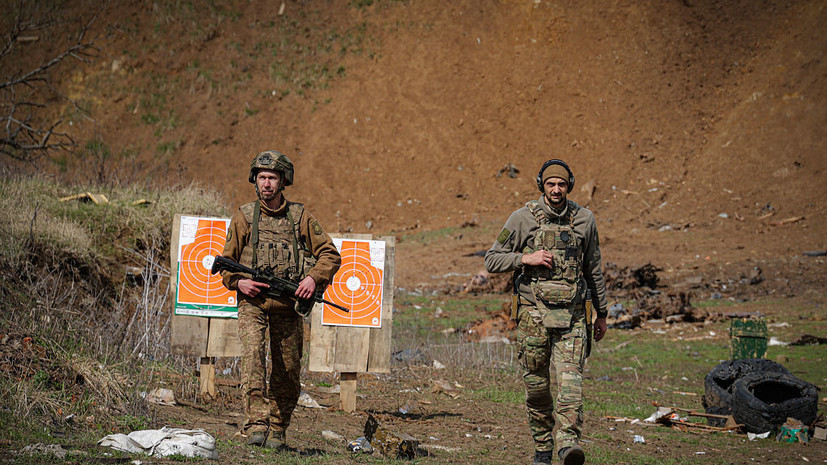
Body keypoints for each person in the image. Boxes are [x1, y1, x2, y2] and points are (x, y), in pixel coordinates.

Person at [485, 159, 608, 465]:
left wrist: (602, 313)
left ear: (570, 186)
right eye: (551, 184)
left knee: (571, 384)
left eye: (562, 184)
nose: (556, 190)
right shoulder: (521, 218)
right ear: (542, 185)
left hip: (574, 315)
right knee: (537, 389)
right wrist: (525, 258)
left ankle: (568, 445)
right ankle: (542, 449)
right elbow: (492, 259)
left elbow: (594, 269)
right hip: (533, 316)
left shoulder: (584, 220)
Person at [220, 150, 341, 450]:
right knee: (253, 360)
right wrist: (239, 282)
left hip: (288, 306)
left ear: (283, 181)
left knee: (287, 370)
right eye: (261, 178)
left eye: (272, 178)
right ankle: (256, 424)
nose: (266, 184)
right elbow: (225, 262)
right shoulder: (244, 217)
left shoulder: (300, 217)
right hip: (254, 304)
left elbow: (330, 254)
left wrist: (313, 278)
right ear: (255, 180)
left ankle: (277, 427)